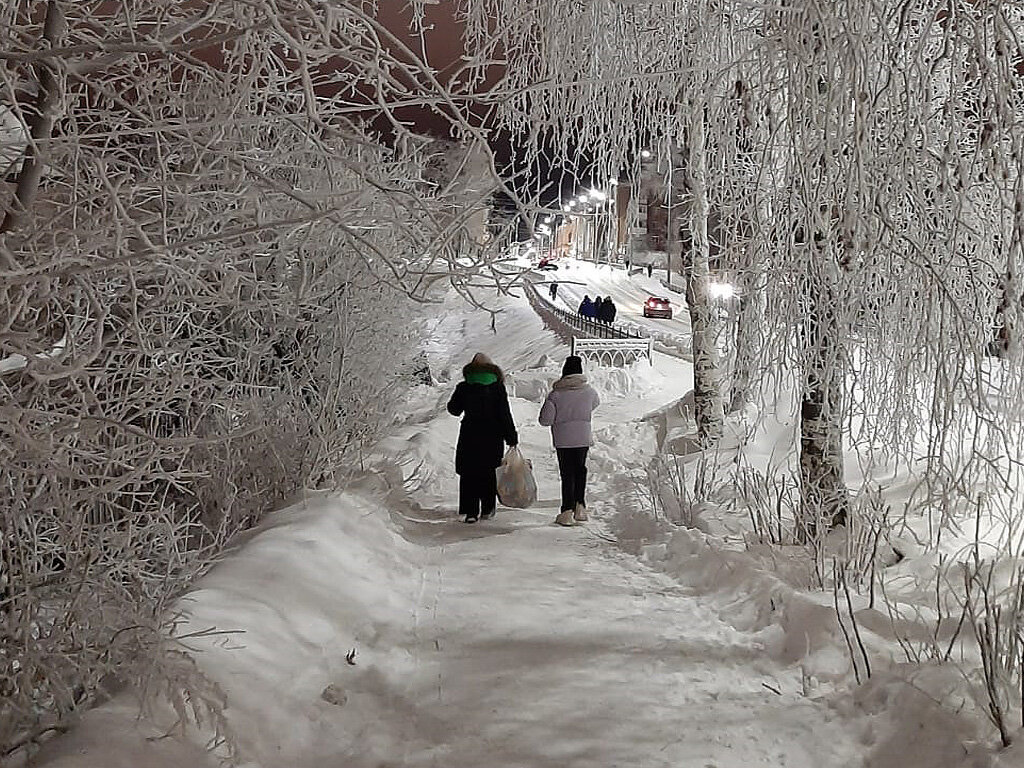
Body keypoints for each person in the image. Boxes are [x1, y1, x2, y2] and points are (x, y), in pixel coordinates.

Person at [447, 353, 519, 523]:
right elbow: (504, 414)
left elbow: (454, 410)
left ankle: (470, 511)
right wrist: (511, 436)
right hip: (493, 436)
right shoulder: (497, 387)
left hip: (470, 434)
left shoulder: (464, 387)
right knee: (489, 471)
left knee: (469, 472)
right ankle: (487, 508)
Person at [539, 355, 600, 526]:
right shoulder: (590, 392)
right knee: (580, 470)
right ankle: (580, 506)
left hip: (563, 440)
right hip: (582, 438)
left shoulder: (556, 394)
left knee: (567, 474)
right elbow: (596, 403)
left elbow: (545, 419)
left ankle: (566, 510)